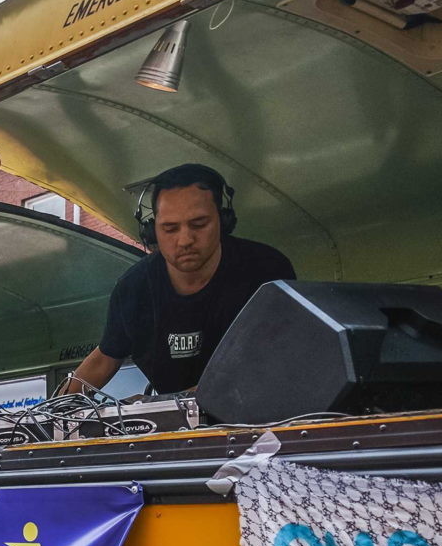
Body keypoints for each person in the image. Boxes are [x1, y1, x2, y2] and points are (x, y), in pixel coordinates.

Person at [65, 164, 296, 395]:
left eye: (199, 224)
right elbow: (104, 359)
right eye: (170, 228)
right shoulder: (133, 288)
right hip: (178, 426)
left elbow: (274, 361)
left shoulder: (266, 270)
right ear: (152, 231)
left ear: (223, 220)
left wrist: (165, 404)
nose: (185, 240)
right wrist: (47, 417)